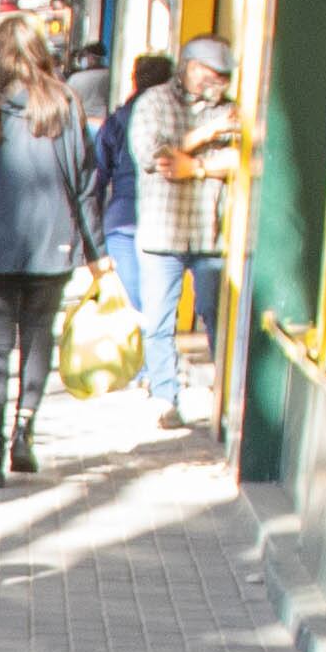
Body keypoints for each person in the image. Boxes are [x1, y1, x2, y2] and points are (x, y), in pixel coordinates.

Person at [0, 23, 95, 479]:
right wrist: (96, 251)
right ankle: (23, 434)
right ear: (41, 51)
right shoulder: (62, 101)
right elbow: (84, 179)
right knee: (37, 342)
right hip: (50, 244)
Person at [131, 33, 242, 428]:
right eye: (215, 75)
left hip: (212, 232)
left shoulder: (230, 111)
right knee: (160, 319)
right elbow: (156, 156)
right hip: (163, 232)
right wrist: (206, 136)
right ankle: (165, 396)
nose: (221, 85)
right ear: (192, 68)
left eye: (225, 78)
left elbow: (241, 161)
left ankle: (227, 396)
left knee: (218, 315)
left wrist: (193, 164)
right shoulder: (155, 103)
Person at [95, 47, 163, 372]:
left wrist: (90, 233)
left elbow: (97, 173)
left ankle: (144, 367)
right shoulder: (173, 120)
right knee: (159, 299)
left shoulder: (119, 120)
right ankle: (154, 368)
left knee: (135, 297)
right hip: (162, 222)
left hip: (123, 221)